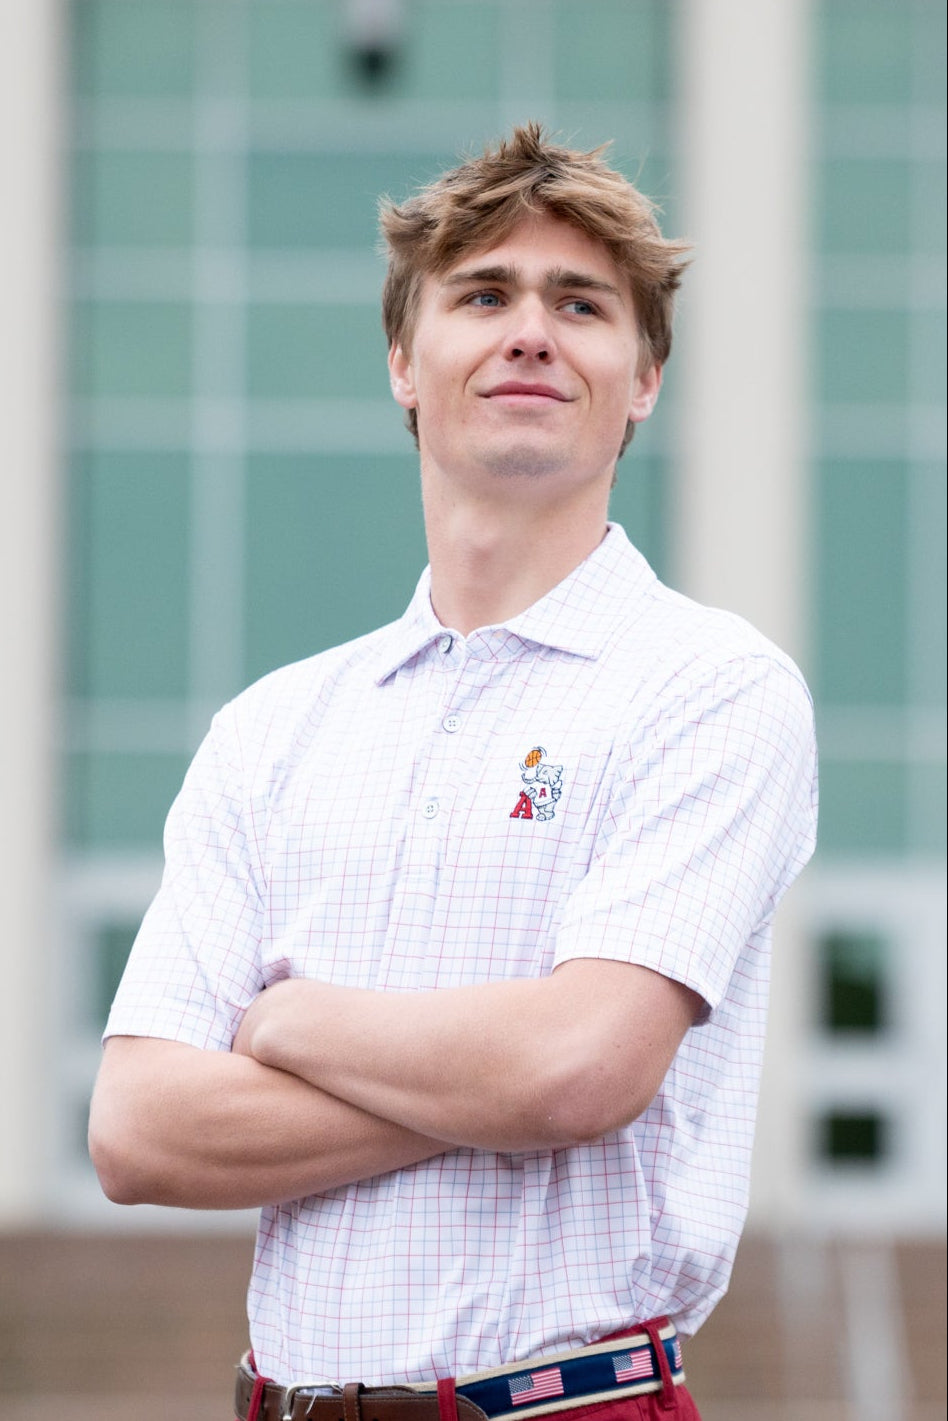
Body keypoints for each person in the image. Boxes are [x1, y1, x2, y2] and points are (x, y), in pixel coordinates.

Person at [89, 123, 818, 1421]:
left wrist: (291, 1024)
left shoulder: (711, 687)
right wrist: (504, 1078)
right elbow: (138, 1129)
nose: (530, 331)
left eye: (581, 303)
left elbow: (581, 1069)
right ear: (403, 362)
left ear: (643, 377)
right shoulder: (273, 730)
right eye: (483, 294)